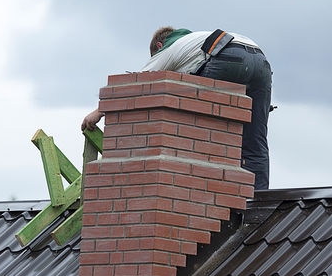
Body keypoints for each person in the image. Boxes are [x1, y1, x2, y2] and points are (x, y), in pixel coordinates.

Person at [82, 26, 272, 191]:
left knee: (196, 127)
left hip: (225, 55)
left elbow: (138, 83)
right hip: (261, 63)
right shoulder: (194, 42)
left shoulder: (169, 47)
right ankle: (258, 201)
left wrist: (99, 112)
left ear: (158, 46)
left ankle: (201, 187)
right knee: (255, 141)